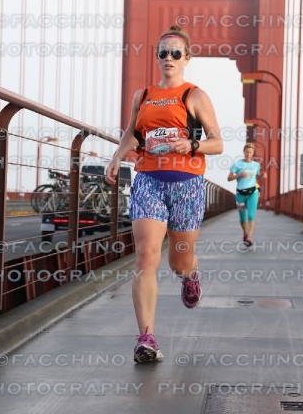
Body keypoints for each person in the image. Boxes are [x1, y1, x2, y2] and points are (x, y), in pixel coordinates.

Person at [106, 24, 223, 363]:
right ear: (157, 58)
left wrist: (193, 143)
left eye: (175, 53)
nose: (168, 58)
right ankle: (146, 338)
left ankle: (191, 275)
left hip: (187, 184)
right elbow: (132, 133)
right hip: (148, 181)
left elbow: (218, 142)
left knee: (179, 261)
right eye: (162, 53)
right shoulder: (142, 96)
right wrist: (117, 157)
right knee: (145, 256)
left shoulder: (195, 95)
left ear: (186, 58)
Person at [227, 142, 266, 247]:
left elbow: (255, 178)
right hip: (240, 194)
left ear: (253, 153)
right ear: (243, 152)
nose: (248, 154)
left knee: (251, 216)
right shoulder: (237, 164)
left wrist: (261, 175)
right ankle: (245, 232)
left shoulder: (256, 165)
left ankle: (249, 237)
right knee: (243, 218)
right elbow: (229, 178)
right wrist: (239, 175)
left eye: (250, 152)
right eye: (247, 152)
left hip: (253, 192)